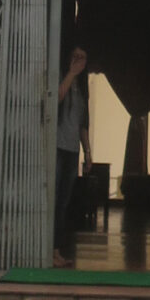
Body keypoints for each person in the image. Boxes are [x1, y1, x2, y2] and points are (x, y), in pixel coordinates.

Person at [52, 46, 92, 267]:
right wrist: (70, 73)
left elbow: (82, 124)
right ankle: (48, 249)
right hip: (57, 147)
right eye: (75, 56)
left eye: (83, 58)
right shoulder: (62, 77)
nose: (79, 60)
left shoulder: (84, 89)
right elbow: (55, 99)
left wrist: (87, 152)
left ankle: (56, 250)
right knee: (54, 198)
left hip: (72, 150)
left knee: (64, 203)